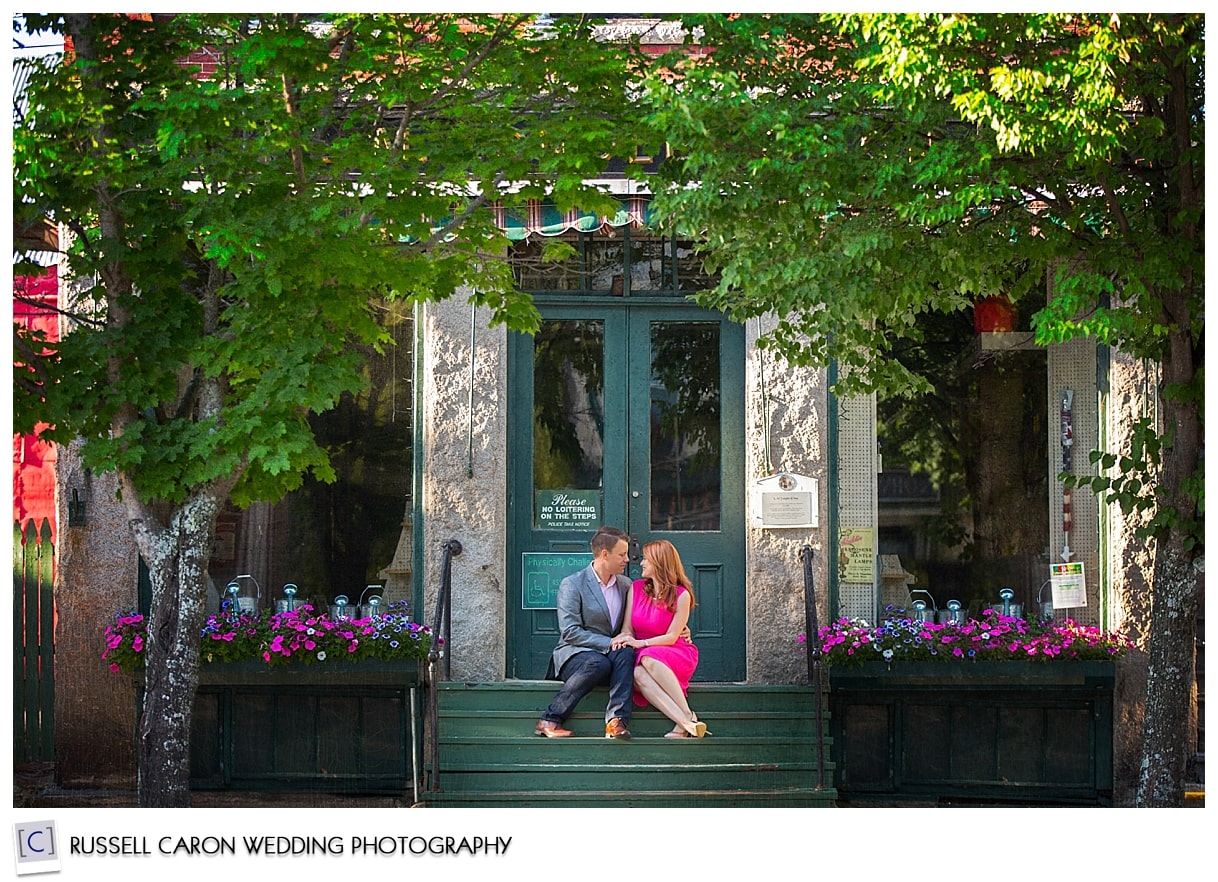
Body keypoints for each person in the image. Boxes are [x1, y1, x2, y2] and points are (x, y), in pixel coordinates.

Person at [535, 525, 636, 739]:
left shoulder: (626, 585)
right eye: (622, 554)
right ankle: (549, 719)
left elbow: (640, 617)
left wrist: (680, 629)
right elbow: (570, 632)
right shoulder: (572, 584)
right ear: (604, 554)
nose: (627, 559)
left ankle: (616, 721)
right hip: (576, 655)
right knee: (598, 662)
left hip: (611, 658)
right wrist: (608, 643)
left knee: (626, 653)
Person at [611, 539, 706, 738]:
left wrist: (642, 643)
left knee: (648, 658)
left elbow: (672, 636)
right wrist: (624, 637)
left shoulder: (682, 595)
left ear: (660, 563)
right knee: (637, 673)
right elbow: (627, 627)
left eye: (646, 559)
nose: (642, 563)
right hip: (645, 652)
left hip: (675, 651)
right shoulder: (635, 589)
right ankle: (687, 722)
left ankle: (687, 716)